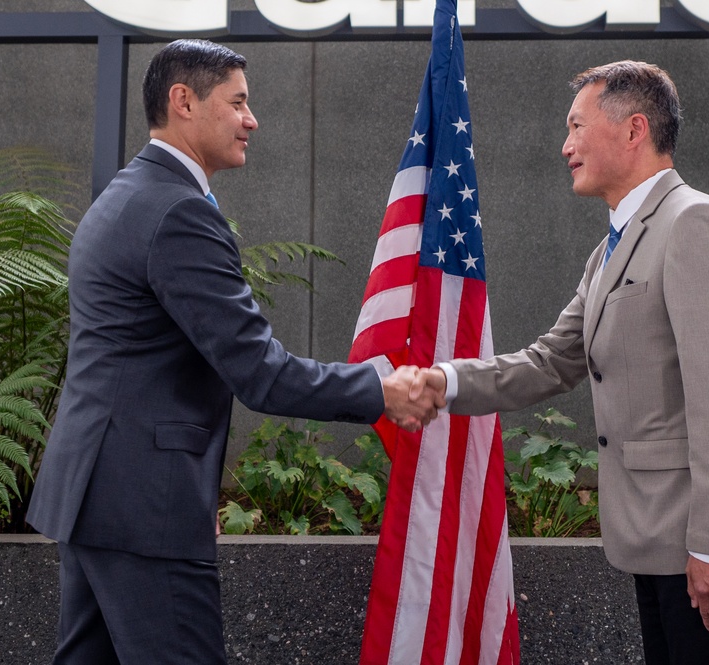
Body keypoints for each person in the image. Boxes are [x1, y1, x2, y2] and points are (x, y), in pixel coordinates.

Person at [26, 39, 438, 665]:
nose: (252, 120)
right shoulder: (178, 212)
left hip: (100, 498)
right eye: (239, 102)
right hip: (144, 509)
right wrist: (380, 389)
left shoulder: (126, 195)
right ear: (183, 101)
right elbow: (259, 372)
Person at [411, 60, 709, 665]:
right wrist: (444, 380)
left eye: (575, 127)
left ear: (633, 130)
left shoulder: (694, 223)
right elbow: (551, 361)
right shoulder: (612, 248)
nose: (565, 146)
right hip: (659, 541)